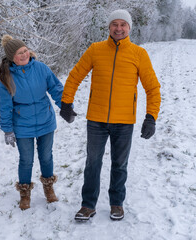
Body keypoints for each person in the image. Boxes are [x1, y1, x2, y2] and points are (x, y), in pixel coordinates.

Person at [60, 9, 161, 221]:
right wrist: (66, 102)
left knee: (120, 165)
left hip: (124, 121)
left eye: (123, 24)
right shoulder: (95, 50)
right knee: (92, 164)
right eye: (114, 24)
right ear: (108, 27)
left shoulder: (138, 54)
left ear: (129, 28)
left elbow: (152, 88)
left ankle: (117, 203)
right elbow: (75, 75)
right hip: (96, 119)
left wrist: (151, 117)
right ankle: (88, 205)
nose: (118, 28)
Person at [0, 35, 65, 210]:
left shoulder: (41, 68)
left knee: (46, 156)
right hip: (22, 125)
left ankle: (48, 188)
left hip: (45, 120)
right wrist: (7, 130)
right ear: (12, 57)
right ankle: (25, 193)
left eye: (25, 50)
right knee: (26, 160)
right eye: (19, 53)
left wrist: (65, 106)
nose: (24, 54)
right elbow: (4, 107)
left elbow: (56, 88)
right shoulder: (5, 78)